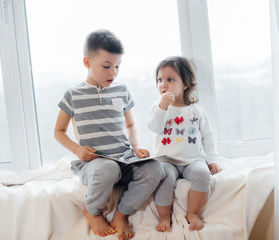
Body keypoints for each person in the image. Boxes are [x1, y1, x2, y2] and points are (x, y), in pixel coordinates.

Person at [54, 29, 165, 240]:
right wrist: (77, 150)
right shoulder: (73, 95)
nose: (113, 73)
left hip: (125, 158)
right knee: (108, 168)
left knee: (155, 169)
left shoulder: (122, 90)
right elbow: (58, 132)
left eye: (117, 66)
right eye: (106, 66)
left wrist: (136, 147)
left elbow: (131, 124)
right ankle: (92, 211)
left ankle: (120, 215)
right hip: (95, 163)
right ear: (87, 62)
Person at [148, 56, 222, 232]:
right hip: (166, 159)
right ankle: (164, 216)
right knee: (163, 177)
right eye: (160, 80)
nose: (163, 84)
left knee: (203, 175)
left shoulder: (195, 110)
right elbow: (154, 127)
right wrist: (162, 107)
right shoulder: (159, 108)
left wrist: (212, 160)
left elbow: (207, 136)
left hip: (192, 160)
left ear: (185, 84)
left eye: (170, 79)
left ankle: (193, 213)